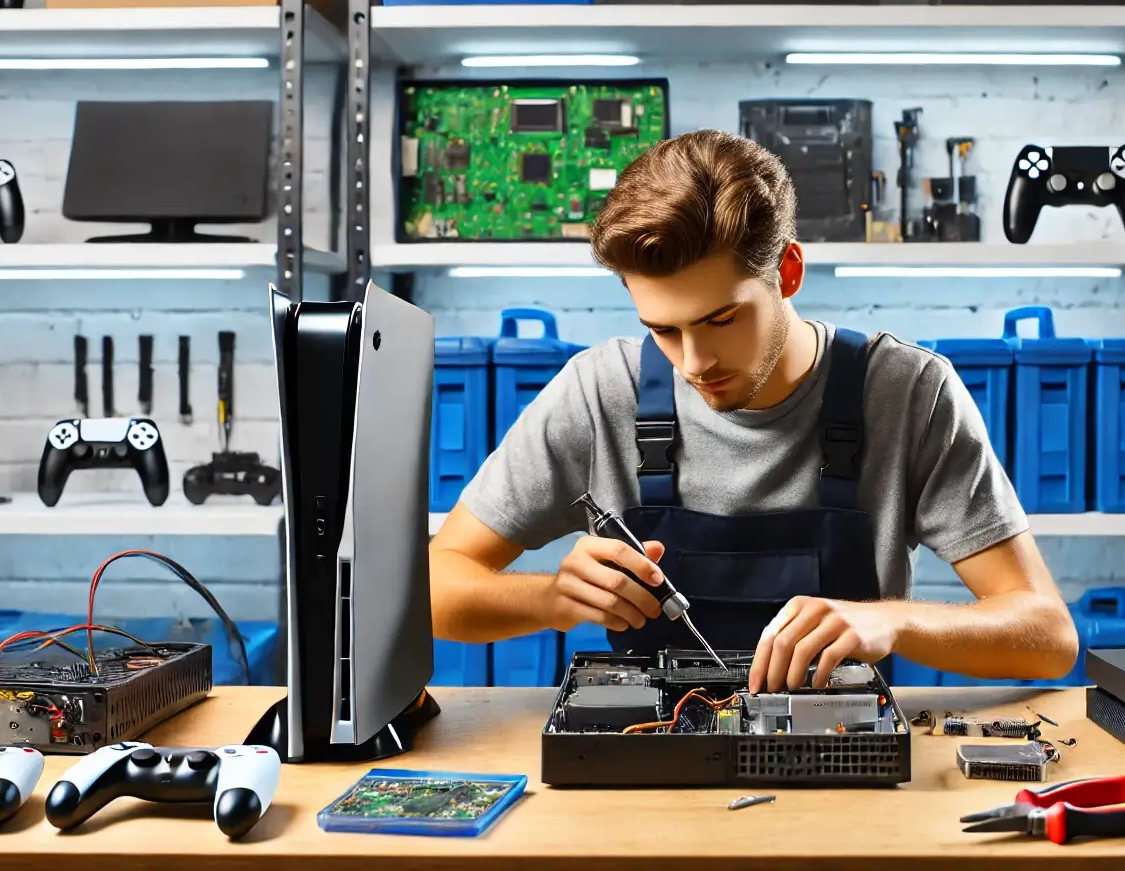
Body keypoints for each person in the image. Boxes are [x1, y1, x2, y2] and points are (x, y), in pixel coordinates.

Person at [428, 129, 1079, 693]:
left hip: (837, 760)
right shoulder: (599, 392)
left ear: (788, 271)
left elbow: (1049, 635)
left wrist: (894, 619)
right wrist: (550, 599)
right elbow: (432, 587)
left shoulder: (907, 392)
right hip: (646, 763)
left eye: (722, 319)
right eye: (663, 329)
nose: (694, 361)